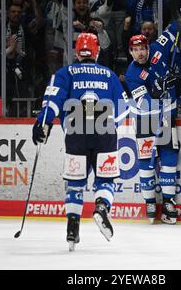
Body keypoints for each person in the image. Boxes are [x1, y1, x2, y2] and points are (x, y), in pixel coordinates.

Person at [32, 32, 128, 251]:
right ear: (97, 52)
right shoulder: (109, 74)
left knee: (75, 183)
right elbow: (124, 108)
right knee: (106, 180)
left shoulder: (65, 73)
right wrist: (113, 126)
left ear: (77, 52)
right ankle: (102, 206)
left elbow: (52, 100)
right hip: (105, 131)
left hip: (76, 133)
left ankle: (72, 227)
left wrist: (43, 123)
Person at [122, 21, 181, 225]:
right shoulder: (131, 74)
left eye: (143, 48)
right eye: (136, 50)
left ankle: (167, 201)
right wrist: (158, 87)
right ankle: (149, 201)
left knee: (169, 155)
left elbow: (174, 30)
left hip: (167, 115)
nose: (140, 53)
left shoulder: (158, 48)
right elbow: (145, 102)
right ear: (130, 52)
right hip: (146, 118)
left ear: (149, 47)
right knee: (146, 159)